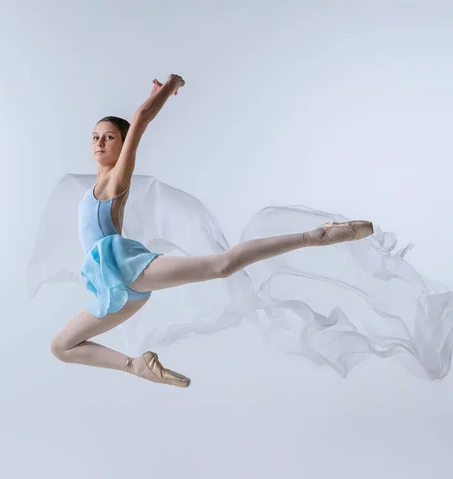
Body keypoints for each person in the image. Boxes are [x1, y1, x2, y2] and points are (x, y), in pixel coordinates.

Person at [49, 74, 374, 388]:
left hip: (124, 265)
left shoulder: (116, 180)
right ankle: (137, 366)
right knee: (61, 346)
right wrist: (154, 93)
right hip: (111, 287)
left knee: (221, 265)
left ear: (122, 144)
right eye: (95, 136)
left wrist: (169, 88)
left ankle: (314, 236)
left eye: (110, 137)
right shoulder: (93, 185)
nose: (100, 142)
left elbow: (141, 118)